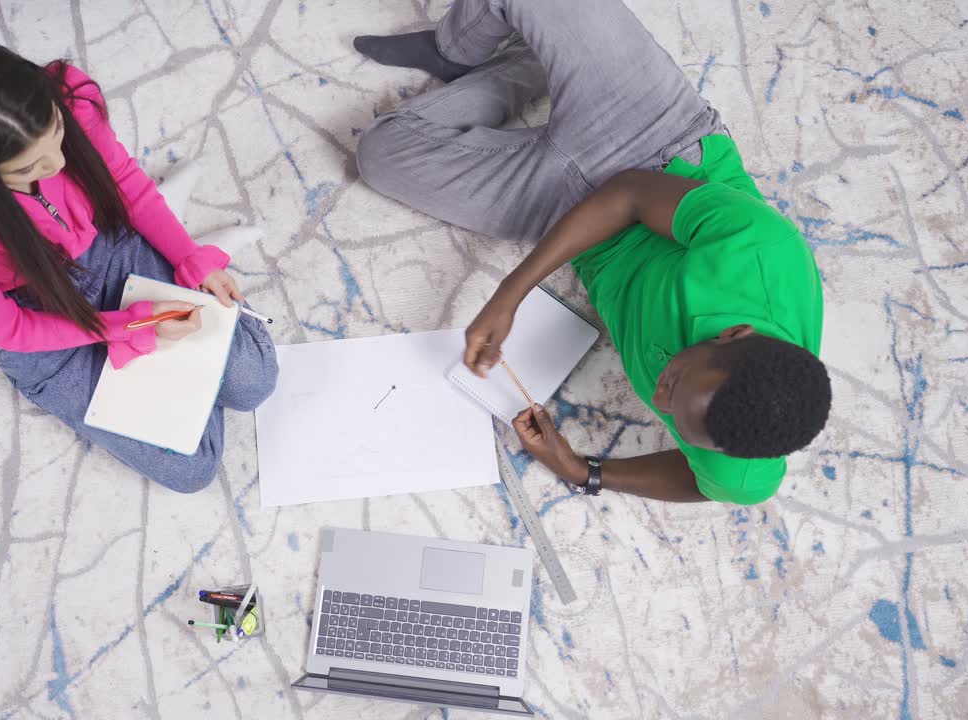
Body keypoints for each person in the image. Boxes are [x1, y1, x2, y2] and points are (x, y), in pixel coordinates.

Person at [353, 0, 830, 504]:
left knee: (381, 154)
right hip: (654, 142)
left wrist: (582, 471)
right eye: (678, 377)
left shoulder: (741, 454)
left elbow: (708, 485)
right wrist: (511, 291)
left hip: (566, 217)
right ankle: (455, 49)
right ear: (734, 335)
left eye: (676, 419)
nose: (661, 397)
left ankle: (525, 71)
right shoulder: (761, 253)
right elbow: (628, 194)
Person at [0, 38, 277, 493]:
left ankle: (175, 233)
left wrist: (187, 257)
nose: (58, 163)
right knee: (192, 469)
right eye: (29, 169)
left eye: (55, 133)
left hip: (109, 246)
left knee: (255, 383)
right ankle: (171, 247)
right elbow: (14, 331)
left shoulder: (69, 99)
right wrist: (130, 329)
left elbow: (124, 186)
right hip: (44, 323)